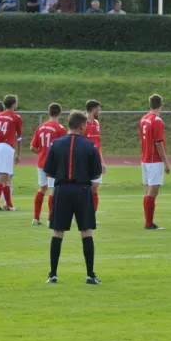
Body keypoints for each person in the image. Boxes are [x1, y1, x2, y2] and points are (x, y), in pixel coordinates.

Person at [43, 110, 103, 285]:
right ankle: (90, 275)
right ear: (83, 125)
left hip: (61, 190)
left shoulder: (56, 144)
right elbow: (96, 172)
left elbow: (48, 170)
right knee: (86, 231)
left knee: (57, 232)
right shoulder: (89, 146)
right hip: (82, 189)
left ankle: (53, 274)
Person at [31, 103, 67, 226]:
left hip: (41, 162)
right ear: (60, 113)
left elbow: (32, 147)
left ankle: (36, 218)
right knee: (53, 190)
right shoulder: (60, 129)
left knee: (42, 188)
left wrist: (41, 152)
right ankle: (51, 219)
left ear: (48, 112)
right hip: (54, 164)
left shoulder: (40, 127)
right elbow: (64, 148)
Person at [140, 94, 171, 230]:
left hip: (145, 158)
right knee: (153, 191)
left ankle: (148, 221)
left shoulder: (144, 118)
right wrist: (166, 162)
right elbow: (158, 143)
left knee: (148, 191)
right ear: (161, 105)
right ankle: (149, 223)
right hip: (154, 159)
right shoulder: (157, 120)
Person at [84, 100, 105, 215]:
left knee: (95, 187)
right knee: (84, 188)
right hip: (85, 160)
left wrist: (102, 162)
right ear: (93, 109)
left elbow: (98, 145)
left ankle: (92, 216)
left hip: (96, 160)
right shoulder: (82, 123)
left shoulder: (96, 123)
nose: (100, 111)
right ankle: (78, 213)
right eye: (99, 109)